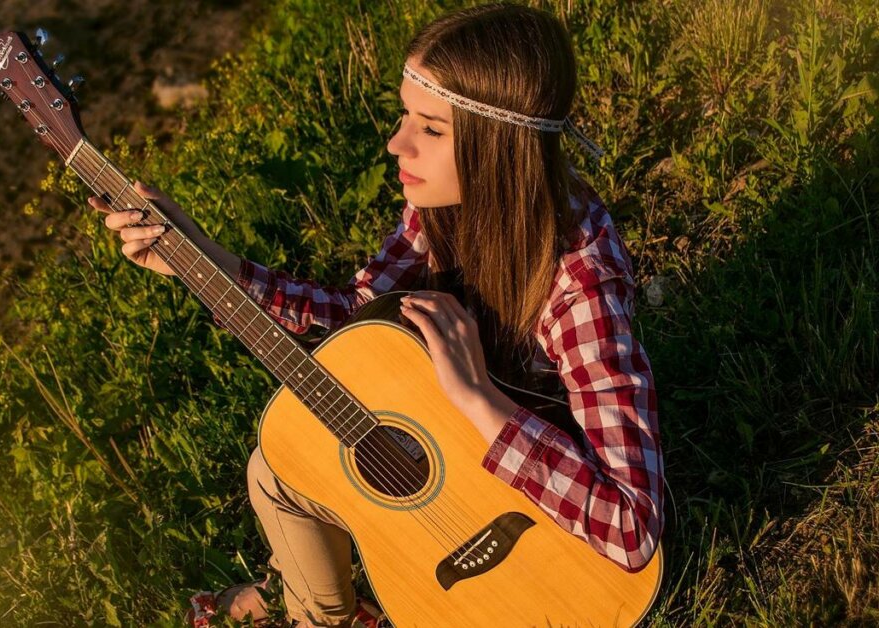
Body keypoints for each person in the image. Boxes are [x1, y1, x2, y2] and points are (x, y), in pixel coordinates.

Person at [89, 3, 663, 626]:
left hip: (528, 524)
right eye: (403, 114)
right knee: (275, 465)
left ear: (499, 147)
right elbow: (353, 320)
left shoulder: (579, 286)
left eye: (431, 128)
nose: (396, 143)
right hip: (451, 450)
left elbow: (631, 529)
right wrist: (208, 261)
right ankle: (327, 612)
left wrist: (474, 397)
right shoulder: (440, 205)